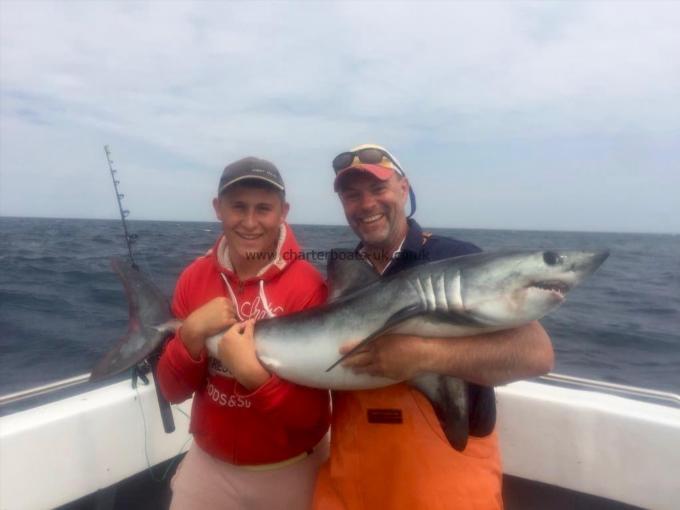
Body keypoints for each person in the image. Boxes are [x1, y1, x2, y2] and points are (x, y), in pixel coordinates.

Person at [311, 144, 555, 510]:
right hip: (350, 479)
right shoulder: (342, 268)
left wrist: (423, 354)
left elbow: (537, 354)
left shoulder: (453, 258)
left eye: (379, 189)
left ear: (404, 188)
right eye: (352, 195)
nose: (366, 205)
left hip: (443, 481)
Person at [157, 157, 331, 510]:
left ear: (283, 212)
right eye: (238, 207)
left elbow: (312, 418)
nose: (250, 222)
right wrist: (190, 335)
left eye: (263, 208)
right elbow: (172, 391)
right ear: (217, 208)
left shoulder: (310, 287)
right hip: (209, 464)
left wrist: (253, 375)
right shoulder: (193, 278)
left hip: (292, 467)